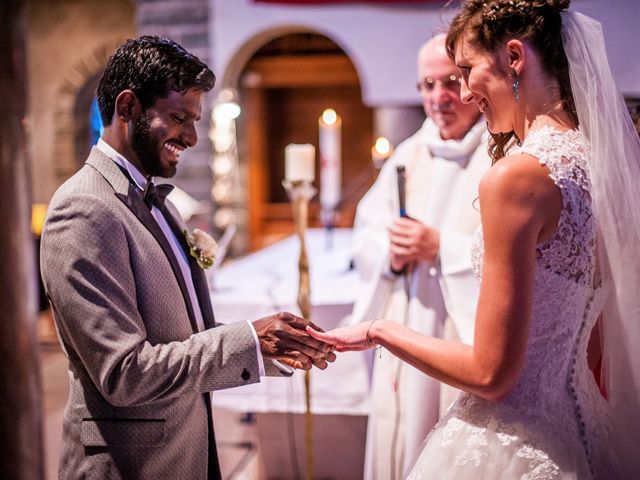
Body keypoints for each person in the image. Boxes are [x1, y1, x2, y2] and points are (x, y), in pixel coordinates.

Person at [310, 0, 640, 478]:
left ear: (513, 57)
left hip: (516, 441)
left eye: (465, 72)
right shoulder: (600, 163)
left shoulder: (515, 178)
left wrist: (378, 330)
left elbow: (492, 375)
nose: (463, 93)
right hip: (584, 431)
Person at [40, 36, 334, 480]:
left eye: (194, 121)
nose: (192, 137)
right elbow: (124, 372)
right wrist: (247, 341)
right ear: (128, 108)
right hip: (130, 466)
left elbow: (179, 334)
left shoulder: (158, 200)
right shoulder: (84, 208)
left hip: (182, 449)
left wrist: (269, 348)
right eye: (179, 118)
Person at [351, 34, 488, 479]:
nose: (438, 98)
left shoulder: (499, 154)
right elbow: (368, 235)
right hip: (411, 323)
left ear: (471, 83)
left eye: (450, 82)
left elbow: (524, 258)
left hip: (461, 333)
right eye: (427, 85)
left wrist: (439, 248)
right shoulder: (409, 154)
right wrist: (390, 255)